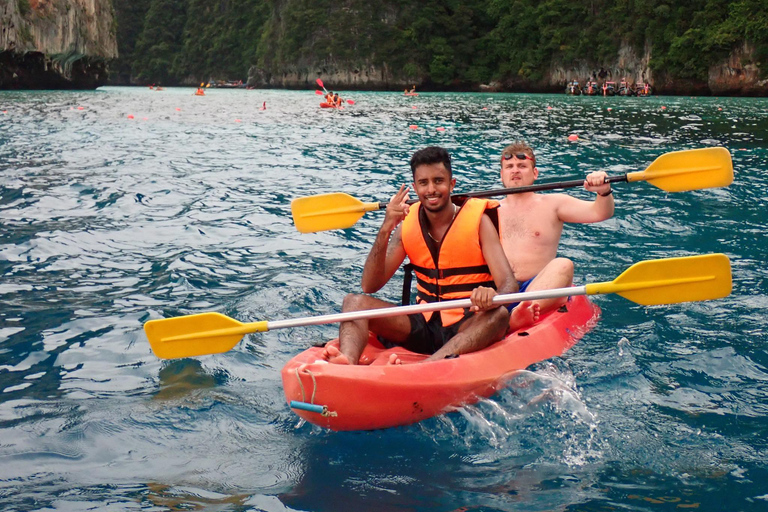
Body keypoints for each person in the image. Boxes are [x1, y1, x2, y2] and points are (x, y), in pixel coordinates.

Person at [323, 146, 539, 365]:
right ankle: (347, 360)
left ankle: (429, 366)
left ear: (451, 184)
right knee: (353, 302)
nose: (431, 190)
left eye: (438, 181)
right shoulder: (407, 224)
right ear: (415, 187)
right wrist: (385, 229)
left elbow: (509, 285)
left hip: (467, 322)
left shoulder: (479, 222)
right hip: (422, 322)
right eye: (424, 183)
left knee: (499, 315)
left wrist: (490, 296)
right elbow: (370, 285)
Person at [497, 142, 614, 313]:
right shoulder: (487, 209)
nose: (515, 170)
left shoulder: (553, 204)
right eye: (509, 167)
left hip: (537, 286)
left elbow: (599, 213)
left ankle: (522, 312)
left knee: (563, 265)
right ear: (502, 174)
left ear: (535, 173)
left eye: (522, 166)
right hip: (498, 289)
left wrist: (603, 192)